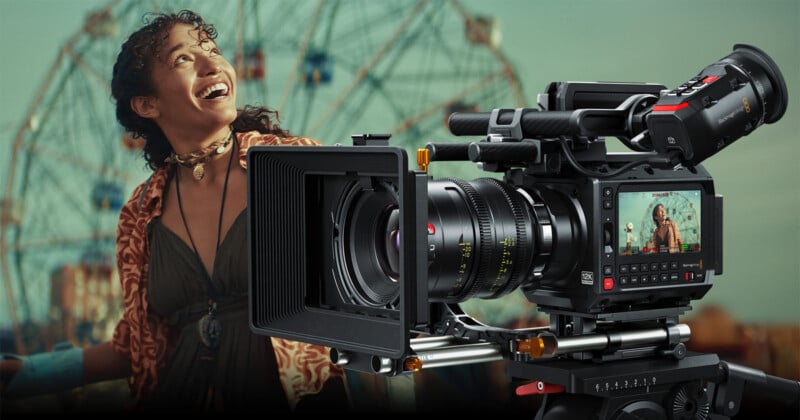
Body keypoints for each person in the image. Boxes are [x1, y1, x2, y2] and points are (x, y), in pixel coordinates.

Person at [0, 10, 349, 414]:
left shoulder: (294, 166)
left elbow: (368, 289)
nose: (212, 63)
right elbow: (139, 344)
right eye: (184, 58)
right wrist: (34, 372)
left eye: (213, 50)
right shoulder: (139, 210)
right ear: (147, 104)